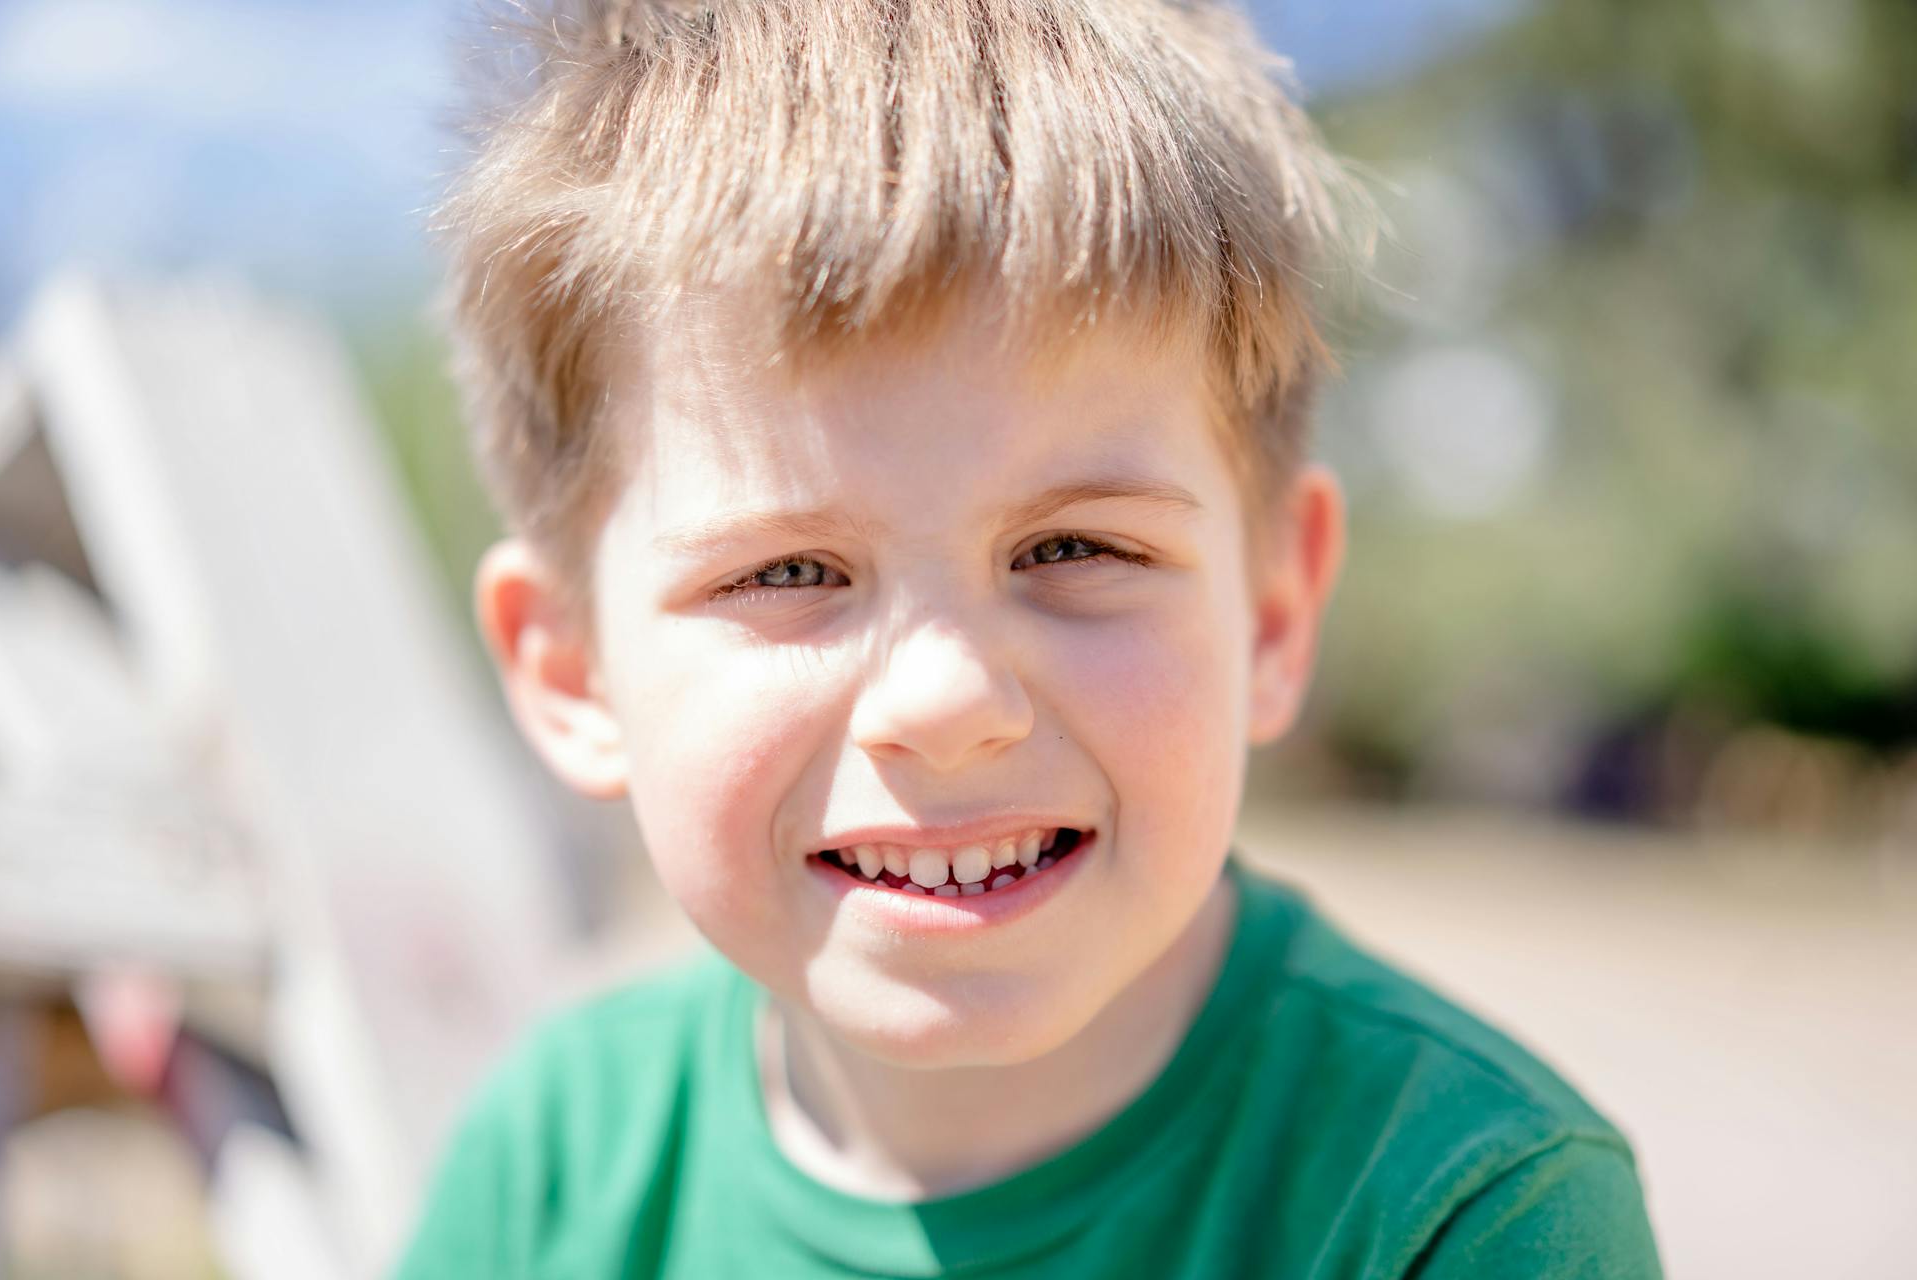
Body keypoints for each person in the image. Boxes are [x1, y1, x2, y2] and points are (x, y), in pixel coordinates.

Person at [395, 0, 1663, 1274]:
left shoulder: (1459, 1207)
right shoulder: (548, 1164)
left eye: (1074, 548)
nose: (947, 696)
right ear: (574, 671)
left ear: (1273, 610)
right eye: (790, 570)